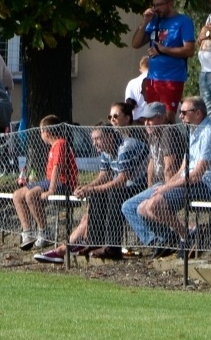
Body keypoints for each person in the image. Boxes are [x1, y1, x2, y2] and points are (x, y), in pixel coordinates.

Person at [42, 102, 150, 263]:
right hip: (126, 186)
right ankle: (94, 242)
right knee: (97, 195)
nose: (95, 143)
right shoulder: (106, 152)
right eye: (93, 139)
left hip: (141, 186)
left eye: (98, 139)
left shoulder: (126, 147)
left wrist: (93, 189)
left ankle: (113, 247)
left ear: (110, 137)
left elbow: (121, 180)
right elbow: (104, 176)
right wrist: (87, 188)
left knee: (113, 193)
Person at [123, 97, 211, 256]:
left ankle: (184, 235)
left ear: (198, 113)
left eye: (184, 112)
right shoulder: (193, 132)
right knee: (141, 208)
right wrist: (162, 188)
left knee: (153, 205)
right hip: (190, 182)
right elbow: (182, 169)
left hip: (206, 186)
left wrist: (165, 187)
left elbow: (196, 176)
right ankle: (185, 233)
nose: (180, 116)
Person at [15, 116, 79, 251]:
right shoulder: (53, 147)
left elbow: (58, 167)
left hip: (63, 183)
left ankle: (44, 231)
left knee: (31, 195)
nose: (41, 135)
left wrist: (51, 189)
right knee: (17, 195)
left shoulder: (61, 143)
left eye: (41, 131)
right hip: (50, 181)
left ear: (46, 132)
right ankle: (28, 233)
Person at [130, 0, 196, 115]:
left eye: (159, 5)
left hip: (171, 78)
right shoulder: (154, 21)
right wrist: (144, 22)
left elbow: (189, 50)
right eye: (154, 5)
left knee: (167, 118)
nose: (156, 9)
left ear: (170, 3)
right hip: (152, 79)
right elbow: (136, 44)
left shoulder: (183, 21)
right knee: (152, 118)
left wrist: (164, 50)